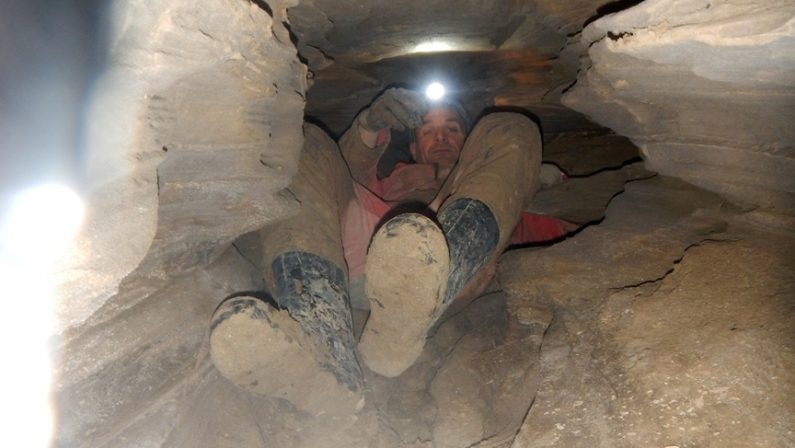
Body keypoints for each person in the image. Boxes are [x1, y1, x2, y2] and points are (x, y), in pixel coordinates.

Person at [208, 88, 569, 416]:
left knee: (511, 126)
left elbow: (549, 231)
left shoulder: (488, 187)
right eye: (428, 130)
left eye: (453, 129)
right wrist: (369, 124)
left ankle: (408, 312)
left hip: (445, 272)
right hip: (350, 259)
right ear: (412, 147)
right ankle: (324, 349)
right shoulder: (387, 180)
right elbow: (337, 169)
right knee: (306, 140)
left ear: (471, 144)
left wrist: (532, 176)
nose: (441, 136)